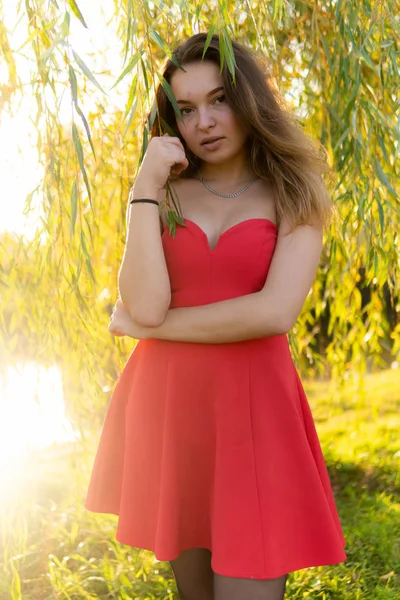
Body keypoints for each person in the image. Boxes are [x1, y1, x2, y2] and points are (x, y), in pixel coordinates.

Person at [85, 32, 347, 600]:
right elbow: (147, 302)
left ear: (249, 99)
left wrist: (145, 329)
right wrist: (144, 186)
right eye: (186, 109)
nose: (204, 121)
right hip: (172, 412)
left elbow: (275, 311)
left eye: (219, 99)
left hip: (255, 414)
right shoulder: (167, 195)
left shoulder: (295, 190)